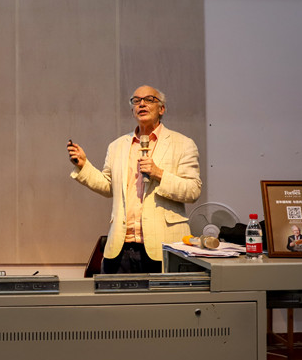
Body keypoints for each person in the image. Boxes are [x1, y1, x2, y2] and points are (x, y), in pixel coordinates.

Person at [67, 85, 202, 273]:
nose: (142, 104)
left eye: (149, 99)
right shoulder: (117, 146)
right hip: (121, 247)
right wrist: (84, 166)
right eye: (136, 101)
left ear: (161, 109)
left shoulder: (183, 144)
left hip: (164, 247)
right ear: (132, 110)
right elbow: (108, 187)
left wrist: (159, 174)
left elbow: (193, 190)